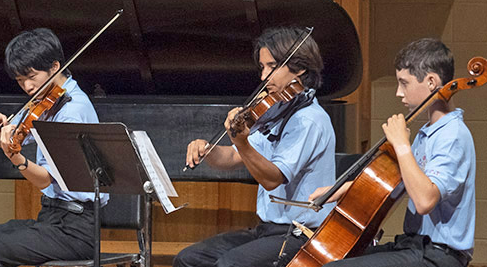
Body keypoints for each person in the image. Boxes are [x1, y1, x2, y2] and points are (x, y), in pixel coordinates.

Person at [174, 27, 336, 267]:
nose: (263, 77)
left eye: (272, 66)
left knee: (230, 265)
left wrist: (241, 140)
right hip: (267, 230)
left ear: (300, 68)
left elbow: (272, 178)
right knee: (188, 259)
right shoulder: (278, 111)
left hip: (301, 234)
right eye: (262, 67)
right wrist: (208, 150)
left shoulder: (309, 120)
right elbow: (231, 157)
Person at [315, 38, 474, 267]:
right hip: (413, 246)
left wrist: (401, 145)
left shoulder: (452, 135)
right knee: (334, 258)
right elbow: (398, 183)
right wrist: (340, 189)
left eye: (404, 83)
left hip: (439, 255)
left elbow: (424, 200)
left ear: (431, 82)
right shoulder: (428, 132)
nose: (399, 93)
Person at [0, 28, 108, 266]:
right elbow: (6, 139)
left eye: (31, 76)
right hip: (52, 218)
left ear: (55, 67)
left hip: (76, 229)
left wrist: (16, 159)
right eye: (19, 80)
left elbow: (45, 180)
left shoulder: (72, 111)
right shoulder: (44, 100)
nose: (27, 86)